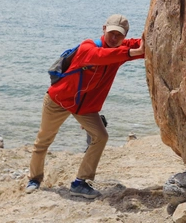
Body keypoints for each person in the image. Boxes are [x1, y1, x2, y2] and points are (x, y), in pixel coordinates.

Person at [25, 14, 145, 198]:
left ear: (125, 36)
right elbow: (100, 56)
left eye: (119, 35)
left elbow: (143, 45)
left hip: (85, 107)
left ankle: (80, 182)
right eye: (111, 33)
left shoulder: (121, 49)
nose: (114, 38)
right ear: (104, 29)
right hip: (59, 101)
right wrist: (132, 52)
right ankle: (34, 179)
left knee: (101, 136)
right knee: (43, 140)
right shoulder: (88, 47)